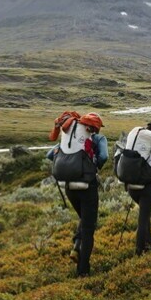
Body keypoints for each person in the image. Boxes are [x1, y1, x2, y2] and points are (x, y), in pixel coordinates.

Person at [47, 112, 107, 276]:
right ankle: (83, 271)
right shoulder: (97, 139)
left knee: (84, 219)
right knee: (89, 227)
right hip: (87, 185)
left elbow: (49, 155)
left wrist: (69, 164)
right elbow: (104, 156)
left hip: (68, 186)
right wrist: (93, 166)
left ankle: (75, 247)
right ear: (96, 126)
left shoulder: (68, 138)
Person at [117, 121, 151, 255]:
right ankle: (140, 251)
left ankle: (148, 244)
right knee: (143, 219)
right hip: (146, 188)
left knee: (144, 216)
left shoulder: (132, 146)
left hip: (131, 187)